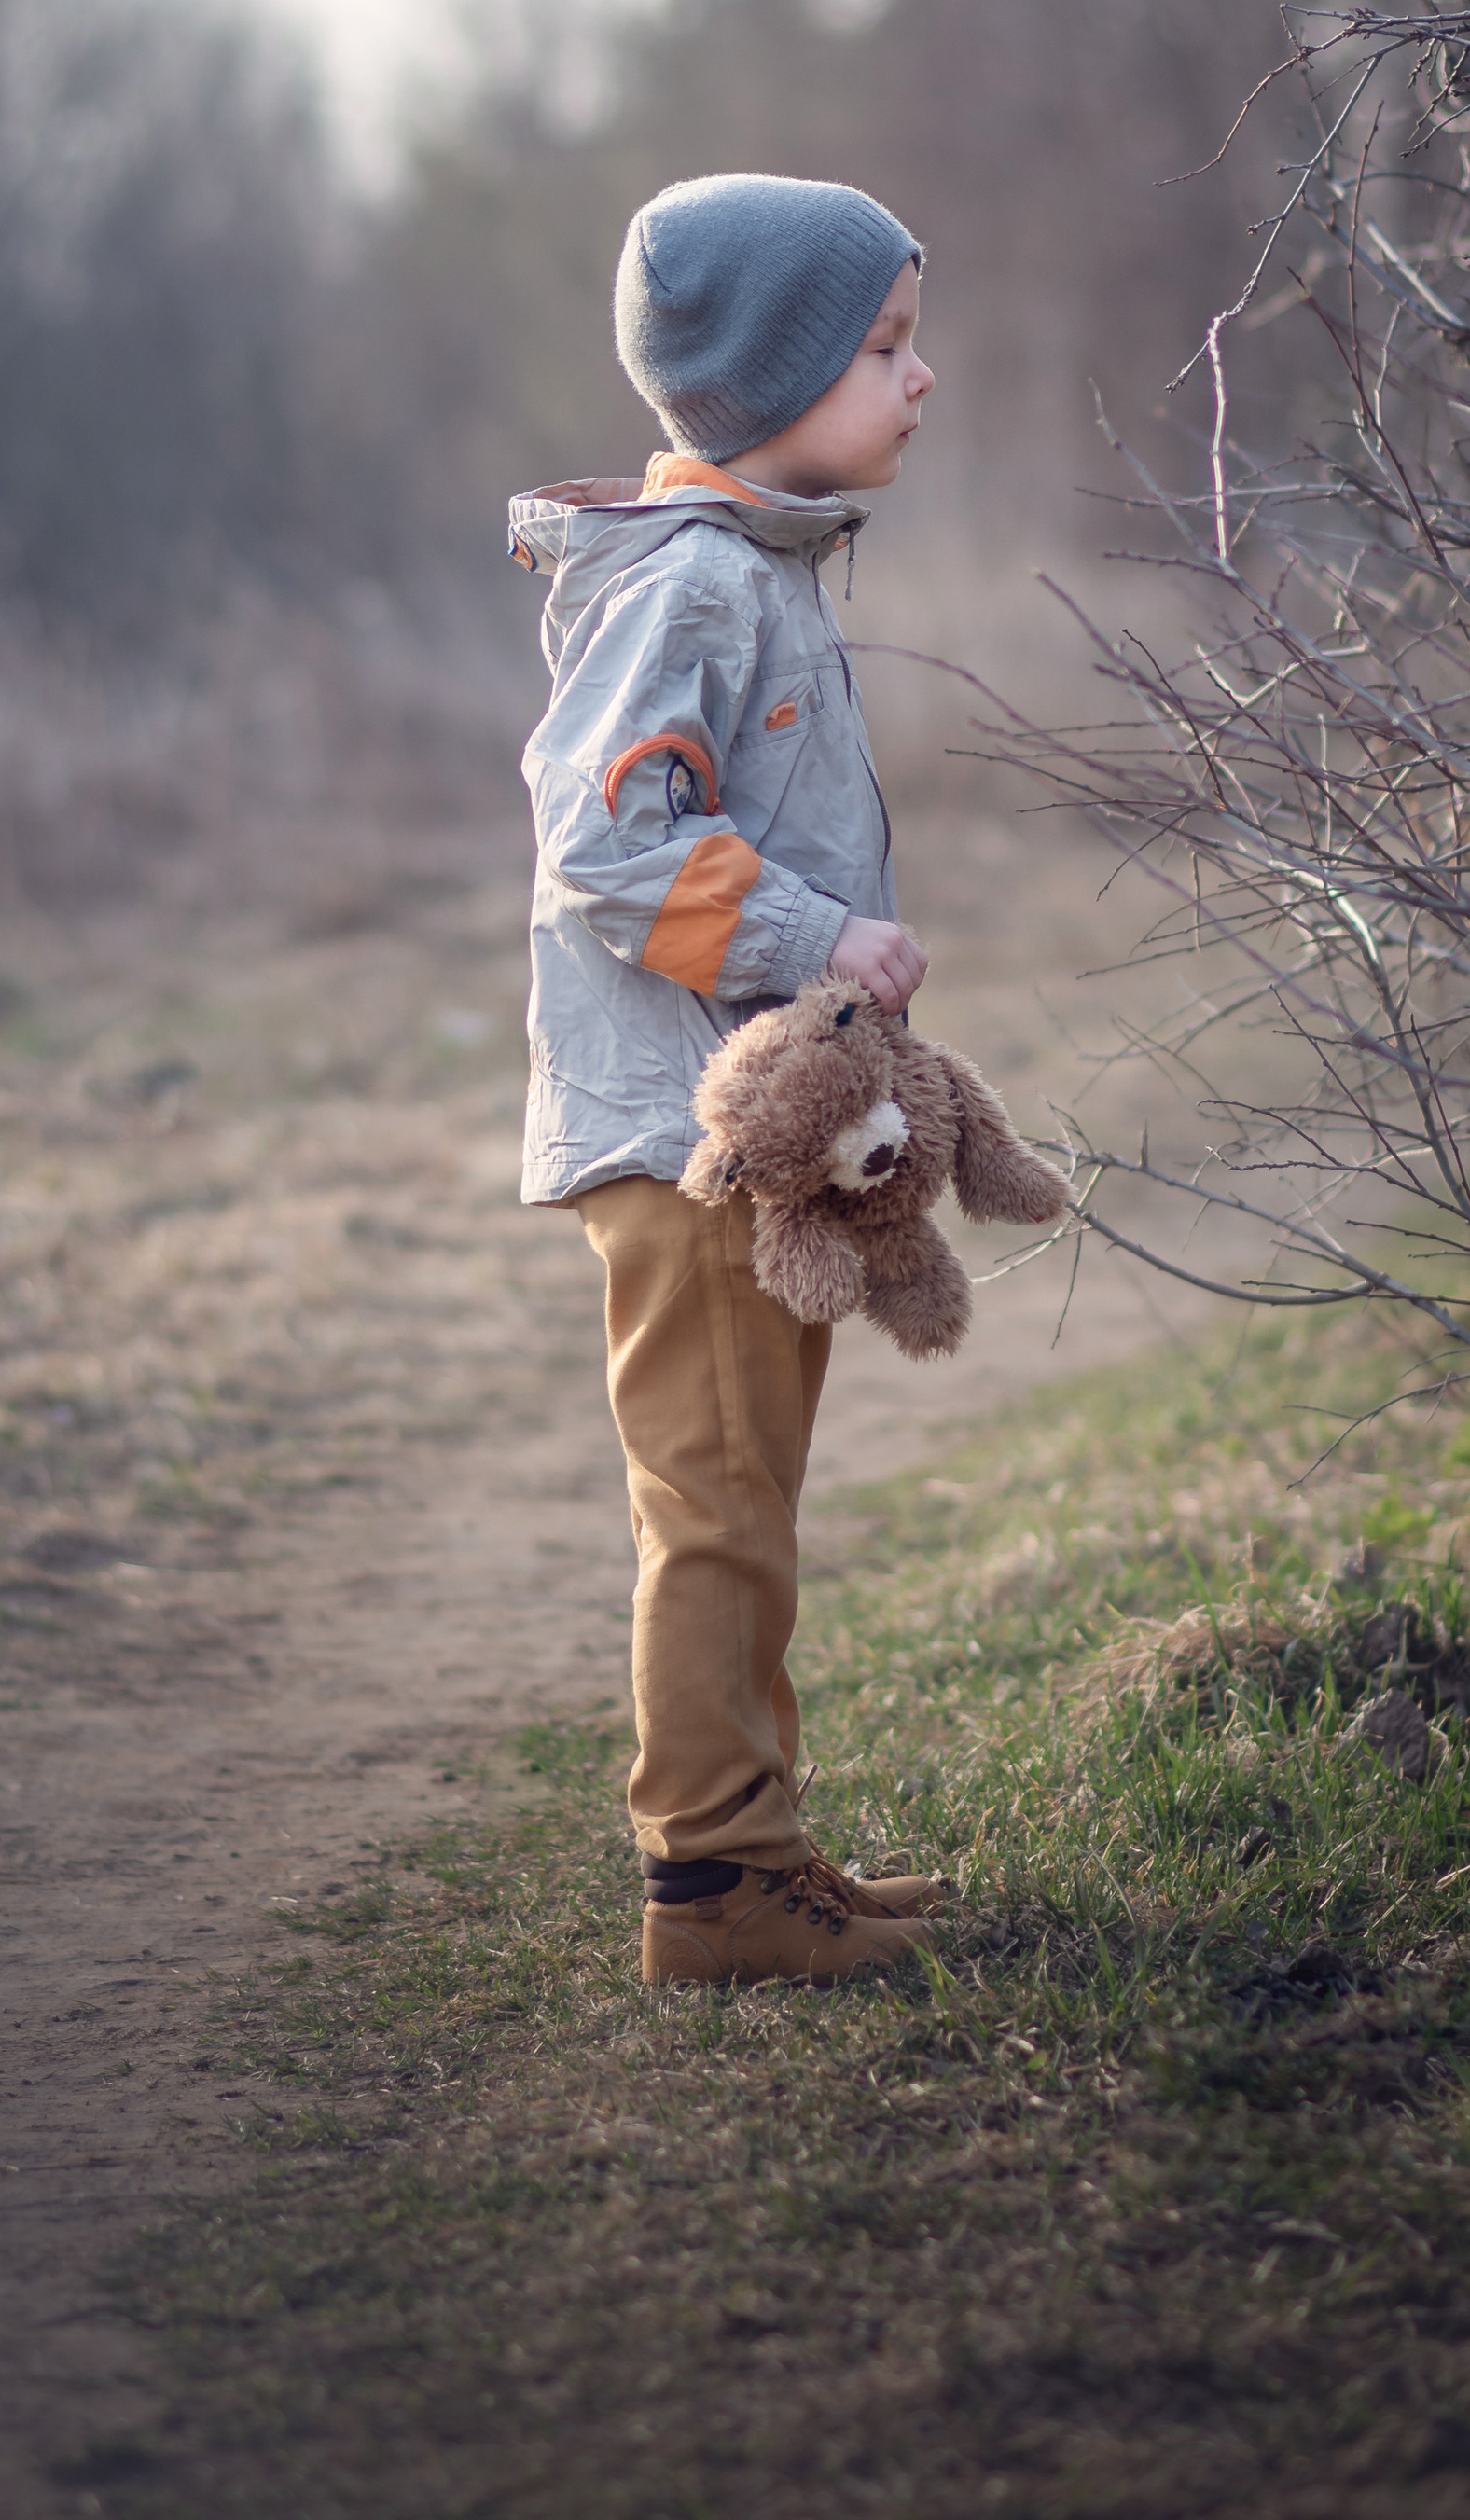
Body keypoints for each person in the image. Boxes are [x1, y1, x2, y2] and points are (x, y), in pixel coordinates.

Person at [509, 173, 945, 1987]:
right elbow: (604, 854)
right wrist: (814, 943)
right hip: (683, 1147)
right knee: (710, 1504)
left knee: (747, 1498)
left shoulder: (749, 565)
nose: (921, 380)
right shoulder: (685, 587)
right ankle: (708, 1887)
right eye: (886, 347)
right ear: (775, 377)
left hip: (748, 1144)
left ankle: (759, 1848)